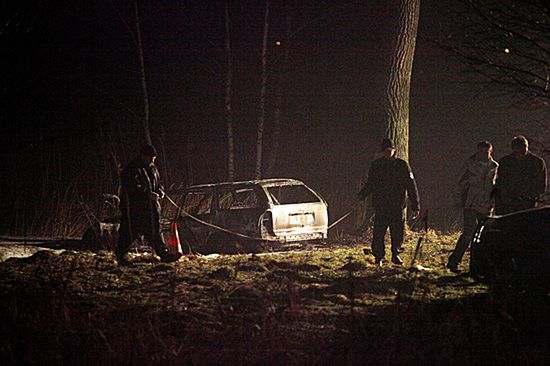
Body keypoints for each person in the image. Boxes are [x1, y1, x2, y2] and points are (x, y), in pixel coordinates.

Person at [116, 144, 182, 266]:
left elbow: (158, 184)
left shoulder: (153, 169)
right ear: (143, 156)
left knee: (155, 232)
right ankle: (121, 256)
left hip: (151, 208)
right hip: (134, 209)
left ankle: (164, 254)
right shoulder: (131, 169)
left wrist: (160, 192)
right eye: (150, 158)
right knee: (129, 233)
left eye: (154, 159)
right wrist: (147, 194)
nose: (152, 161)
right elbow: (131, 188)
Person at [358, 138, 420, 266]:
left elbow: (411, 185)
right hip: (381, 206)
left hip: (397, 205)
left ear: (394, 150)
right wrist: (362, 195)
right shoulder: (376, 165)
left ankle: (395, 254)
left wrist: (415, 204)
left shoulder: (402, 165)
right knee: (379, 233)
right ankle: (378, 257)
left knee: (397, 232)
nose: (388, 153)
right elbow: (371, 183)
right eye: (386, 151)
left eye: (390, 150)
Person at [447, 141, 498, 273]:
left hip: (487, 205)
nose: (482, 155)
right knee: (468, 234)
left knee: (485, 236)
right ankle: (454, 261)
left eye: (485, 152)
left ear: (490, 152)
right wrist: (459, 200)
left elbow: (496, 186)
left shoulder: (495, 167)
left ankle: (480, 265)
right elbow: (459, 183)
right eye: (480, 152)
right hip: (471, 203)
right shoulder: (469, 165)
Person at [493, 135, 547, 215]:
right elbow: (499, 181)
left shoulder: (537, 162)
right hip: (508, 203)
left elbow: (541, 184)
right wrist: (504, 196)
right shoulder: (505, 162)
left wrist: (530, 196)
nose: (520, 152)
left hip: (527, 203)